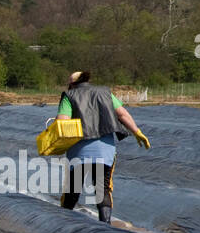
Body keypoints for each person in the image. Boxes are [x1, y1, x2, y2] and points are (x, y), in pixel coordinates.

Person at [56, 71, 149, 224]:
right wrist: (137, 132)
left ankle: (64, 222)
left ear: (71, 84)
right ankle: (105, 226)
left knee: (72, 190)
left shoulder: (70, 96)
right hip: (104, 151)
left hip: (79, 152)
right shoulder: (105, 93)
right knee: (103, 189)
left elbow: (62, 122)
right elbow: (123, 114)